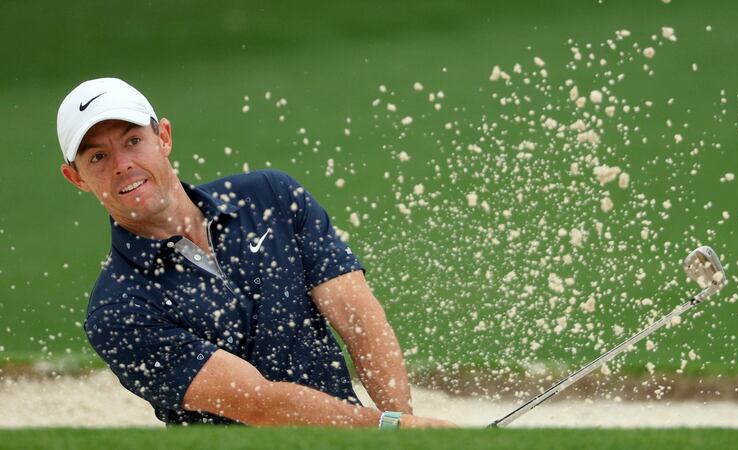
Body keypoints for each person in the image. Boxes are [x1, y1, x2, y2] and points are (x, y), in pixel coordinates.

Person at [56, 77, 454, 428]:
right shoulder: (119, 311)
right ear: (77, 178)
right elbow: (258, 403)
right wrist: (389, 431)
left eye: (133, 141)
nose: (123, 164)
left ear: (163, 137)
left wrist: (403, 424)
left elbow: (357, 320)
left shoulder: (270, 197)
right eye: (98, 157)